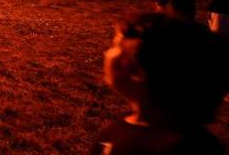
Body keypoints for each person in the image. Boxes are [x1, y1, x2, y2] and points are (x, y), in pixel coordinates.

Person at [90, 12, 229, 155]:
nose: (106, 53)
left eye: (115, 46)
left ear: (138, 71)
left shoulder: (188, 148)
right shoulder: (117, 131)